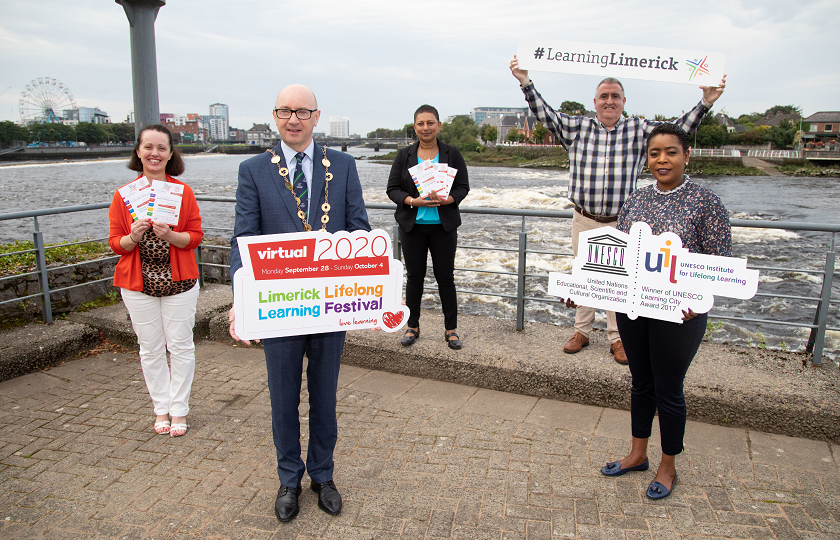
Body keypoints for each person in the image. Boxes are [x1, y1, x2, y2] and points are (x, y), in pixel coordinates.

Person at [509, 55, 726, 365]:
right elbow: (545, 115)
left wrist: (705, 103)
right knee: (584, 273)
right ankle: (581, 331)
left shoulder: (639, 130)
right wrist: (525, 81)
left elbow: (675, 132)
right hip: (584, 218)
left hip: (622, 222)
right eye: (604, 97)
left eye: (615, 96)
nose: (609, 101)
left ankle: (617, 337)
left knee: (620, 280)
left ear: (624, 101)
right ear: (595, 102)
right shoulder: (577, 128)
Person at [228, 84, 370, 522]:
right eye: (285, 111)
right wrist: (241, 299)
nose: (293, 119)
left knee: (324, 396)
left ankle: (322, 475)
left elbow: (360, 230)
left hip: (328, 306)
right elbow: (243, 239)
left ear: (316, 116)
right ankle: (289, 478)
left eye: (302, 112)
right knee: (283, 397)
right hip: (279, 307)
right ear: (275, 116)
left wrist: (354, 277)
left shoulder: (343, 166)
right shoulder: (253, 169)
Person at [599, 123, 732, 499]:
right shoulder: (635, 200)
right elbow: (620, 258)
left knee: (669, 389)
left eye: (671, 152)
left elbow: (720, 264)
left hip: (681, 314)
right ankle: (637, 454)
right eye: (654, 153)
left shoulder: (707, 202)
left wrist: (696, 300)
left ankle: (667, 464)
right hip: (635, 308)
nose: (662, 159)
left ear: (686, 156)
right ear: (647, 159)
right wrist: (585, 289)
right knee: (641, 383)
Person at [108, 124, 204, 438]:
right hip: (138, 285)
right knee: (150, 349)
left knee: (180, 347)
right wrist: (131, 238)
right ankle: (160, 407)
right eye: (148, 147)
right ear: (138, 152)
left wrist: (172, 235)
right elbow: (114, 243)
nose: (155, 153)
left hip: (179, 283)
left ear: (170, 154)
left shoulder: (183, 192)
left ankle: (179, 410)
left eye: (161, 148)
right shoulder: (124, 196)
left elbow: (195, 236)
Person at [386, 105, 470, 350]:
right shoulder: (404, 156)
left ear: (439, 125)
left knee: (446, 278)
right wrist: (413, 201)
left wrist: (449, 199)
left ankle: (451, 330)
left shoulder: (451, 153)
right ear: (415, 127)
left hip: (443, 227)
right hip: (413, 227)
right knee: (414, 278)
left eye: (430, 123)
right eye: (421, 123)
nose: (426, 128)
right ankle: (412, 326)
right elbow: (392, 189)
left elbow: (463, 186)